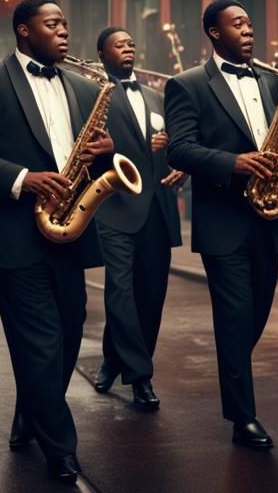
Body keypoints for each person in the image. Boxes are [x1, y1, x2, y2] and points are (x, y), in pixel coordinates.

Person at [0, 0, 114, 485]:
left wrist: (107, 151)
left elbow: (92, 156)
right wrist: (23, 178)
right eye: (52, 24)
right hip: (13, 235)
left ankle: (33, 409)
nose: (64, 31)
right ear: (24, 30)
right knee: (40, 341)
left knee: (69, 333)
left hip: (70, 231)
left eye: (66, 23)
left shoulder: (84, 87)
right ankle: (60, 448)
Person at [165, 0, 278, 449]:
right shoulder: (187, 86)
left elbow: (277, 144)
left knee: (254, 314)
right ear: (214, 32)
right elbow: (179, 149)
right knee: (235, 315)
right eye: (237, 23)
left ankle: (235, 372)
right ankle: (243, 416)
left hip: (267, 217)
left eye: (250, 22)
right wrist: (232, 163)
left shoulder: (273, 81)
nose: (247, 30)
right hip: (222, 220)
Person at [91, 27, 183, 411]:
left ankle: (114, 358)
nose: (127, 48)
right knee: (121, 293)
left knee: (151, 296)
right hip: (115, 208)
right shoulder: (93, 97)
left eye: (131, 43)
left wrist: (173, 153)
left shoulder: (156, 95)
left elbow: (176, 149)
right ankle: (140, 376)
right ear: (101, 54)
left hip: (158, 211)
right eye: (118, 44)